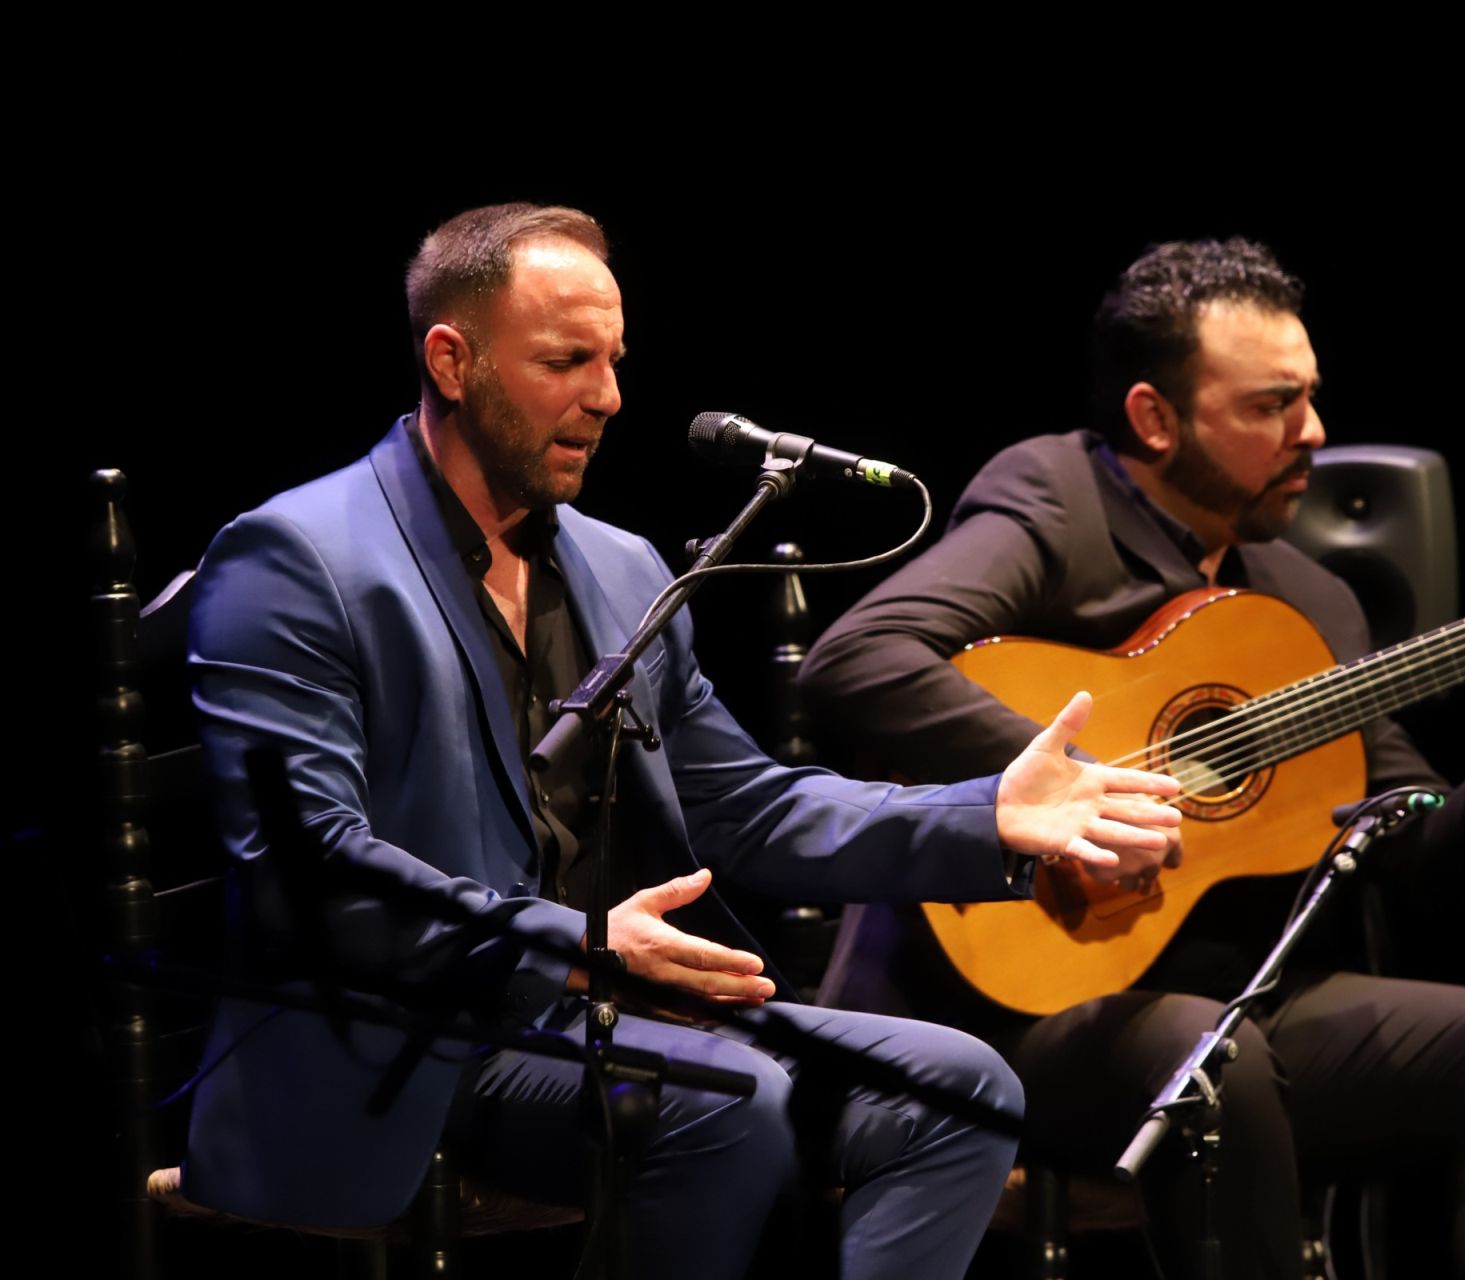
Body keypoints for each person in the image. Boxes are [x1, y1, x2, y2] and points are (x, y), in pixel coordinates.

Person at [179, 203, 1181, 1280]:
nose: (607, 396)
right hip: (398, 1038)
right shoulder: (300, 558)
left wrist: (987, 815)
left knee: (958, 1089)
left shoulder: (621, 568)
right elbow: (308, 866)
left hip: (608, 1018)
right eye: (565, 361)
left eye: (613, 360)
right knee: (728, 1101)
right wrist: (574, 945)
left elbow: (748, 805)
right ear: (452, 361)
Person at [798, 239, 1465, 1279]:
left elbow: (1415, 846)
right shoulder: (1057, 501)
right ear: (1154, 418)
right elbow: (860, 658)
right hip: (1014, 1005)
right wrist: (1080, 786)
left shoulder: (1308, 597)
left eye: (1309, 397)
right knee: (1215, 1062)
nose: (1313, 432)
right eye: (1272, 405)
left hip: (1238, 1006)